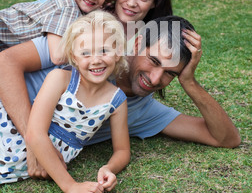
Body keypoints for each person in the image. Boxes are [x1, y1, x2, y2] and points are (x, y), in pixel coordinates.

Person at [0, 15, 241, 181]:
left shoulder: (145, 110)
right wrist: (34, 144)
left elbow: (226, 138)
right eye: (154, 61)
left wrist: (189, 82)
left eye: (170, 74)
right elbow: (4, 62)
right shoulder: (89, 46)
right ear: (136, 42)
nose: (156, 79)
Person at [0, 11, 130, 193]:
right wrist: (70, 185)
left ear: (118, 52)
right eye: (85, 53)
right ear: (74, 57)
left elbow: (122, 150)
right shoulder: (60, 79)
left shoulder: (117, 100)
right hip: (8, 136)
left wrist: (108, 168)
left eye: (104, 50)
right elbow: (34, 134)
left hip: (25, 163)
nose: (96, 60)